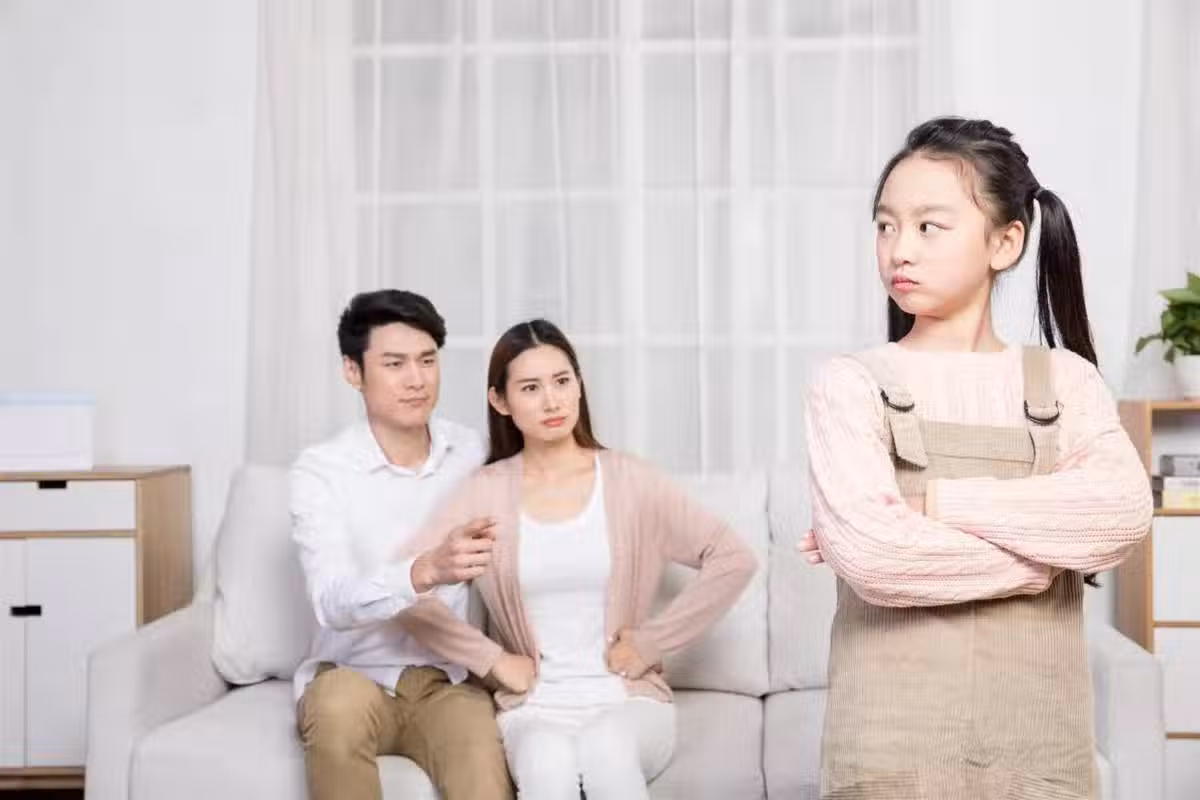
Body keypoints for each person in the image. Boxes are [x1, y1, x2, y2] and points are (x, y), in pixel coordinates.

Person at [798, 117, 1153, 799]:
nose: (899, 248)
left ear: (1005, 242)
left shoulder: (1066, 381)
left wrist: (934, 502)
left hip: (1040, 757)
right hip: (888, 759)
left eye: (928, 226)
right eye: (885, 226)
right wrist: (1047, 559)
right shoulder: (850, 384)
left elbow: (1120, 514)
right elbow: (878, 559)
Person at [397, 318, 757, 800]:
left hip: (628, 704)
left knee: (605, 747)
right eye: (531, 388)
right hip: (533, 709)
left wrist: (651, 642)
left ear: (579, 386)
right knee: (547, 761)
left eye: (562, 381)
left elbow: (733, 558)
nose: (552, 401)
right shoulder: (484, 493)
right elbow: (400, 587)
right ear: (500, 401)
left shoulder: (630, 481)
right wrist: (493, 659)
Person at [289, 289, 518, 800]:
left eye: (427, 360)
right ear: (353, 371)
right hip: (351, 676)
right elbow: (331, 601)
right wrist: (424, 570)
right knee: (336, 709)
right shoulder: (321, 471)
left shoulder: (473, 453)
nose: (417, 379)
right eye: (394, 364)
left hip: (446, 684)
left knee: (482, 761)